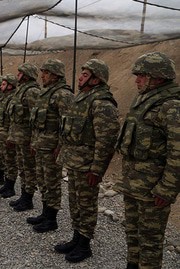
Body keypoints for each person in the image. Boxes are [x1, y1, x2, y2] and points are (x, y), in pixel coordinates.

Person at [114, 52, 179, 269]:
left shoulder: (171, 106)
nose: (137, 80)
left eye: (142, 75)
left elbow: (177, 153)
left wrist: (166, 190)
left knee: (150, 241)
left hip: (153, 190)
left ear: (157, 77)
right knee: (132, 232)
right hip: (133, 184)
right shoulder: (144, 100)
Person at [56, 59, 120, 262]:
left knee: (87, 205)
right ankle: (76, 238)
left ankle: (85, 245)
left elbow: (106, 142)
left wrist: (97, 170)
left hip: (87, 166)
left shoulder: (102, 103)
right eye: (81, 73)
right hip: (75, 162)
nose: (80, 77)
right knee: (75, 203)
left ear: (96, 79)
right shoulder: (81, 99)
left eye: (85, 74)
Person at [28, 59, 73, 232]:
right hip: (41, 146)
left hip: (52, 148)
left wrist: (60, 147)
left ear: (55, 75)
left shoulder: (63, 94)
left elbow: (67, 124)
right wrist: (34, 142)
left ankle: (52, 219)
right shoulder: (45, 93)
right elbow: (36, 123)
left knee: (52, 182)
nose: (42, 76)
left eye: (46, 72)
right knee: (43, 181)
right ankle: (45, 213)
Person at [8, 63, 40, 210]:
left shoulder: (32, 91)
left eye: (20, 73)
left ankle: (28, 198)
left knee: (29, 168)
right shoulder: (21, 90)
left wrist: (34, 140)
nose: (18, 75)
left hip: (27, 138)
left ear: (27, 75)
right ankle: (23, 195)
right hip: (19, 137)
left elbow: (36, 119)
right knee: (22, 166)